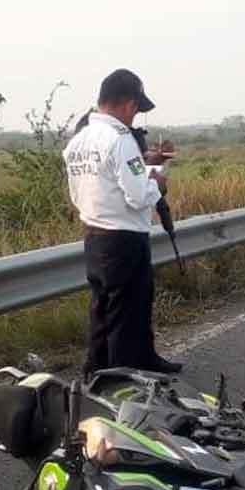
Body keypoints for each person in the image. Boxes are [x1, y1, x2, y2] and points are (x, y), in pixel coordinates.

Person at [63, 69, 182, 376]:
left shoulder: (80, 139)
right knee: (127, 311)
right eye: (136, 110)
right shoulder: (120, 138)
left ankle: (100, 368)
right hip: (124, 238)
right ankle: (123, 379)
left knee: (103, 307)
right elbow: (139, 196)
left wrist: (145, 164)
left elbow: (95, 184)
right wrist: (157, 181)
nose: (135, 116)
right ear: (129, 104)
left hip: (94, 235)